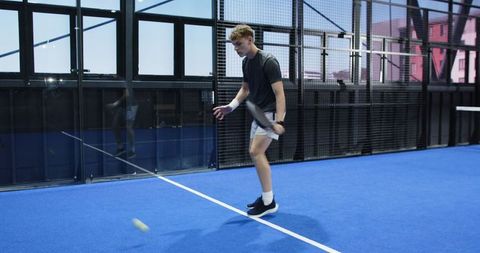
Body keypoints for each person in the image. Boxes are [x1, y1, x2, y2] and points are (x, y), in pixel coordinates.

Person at [213, 24, 286, 217]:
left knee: (256, 151)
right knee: (254, 153)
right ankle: (266, 197)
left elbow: (280, 94)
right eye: (234, 45)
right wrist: (230, 107)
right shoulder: (246, 62)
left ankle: (269, 203)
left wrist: (280, 121)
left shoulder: (268, 61)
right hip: (258, 113)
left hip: (269, 114)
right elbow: (245, 89)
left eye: (239, 44)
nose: (236, 49)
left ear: (250, 40)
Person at [106, 85, 138, 160]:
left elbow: (126, 94)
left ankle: (132, 150)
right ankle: (120, 148)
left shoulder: (122, 80)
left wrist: (115, 104)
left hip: (131, 105)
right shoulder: (113, 81)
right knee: (114, 125)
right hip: (122, 106)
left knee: (128, 127)